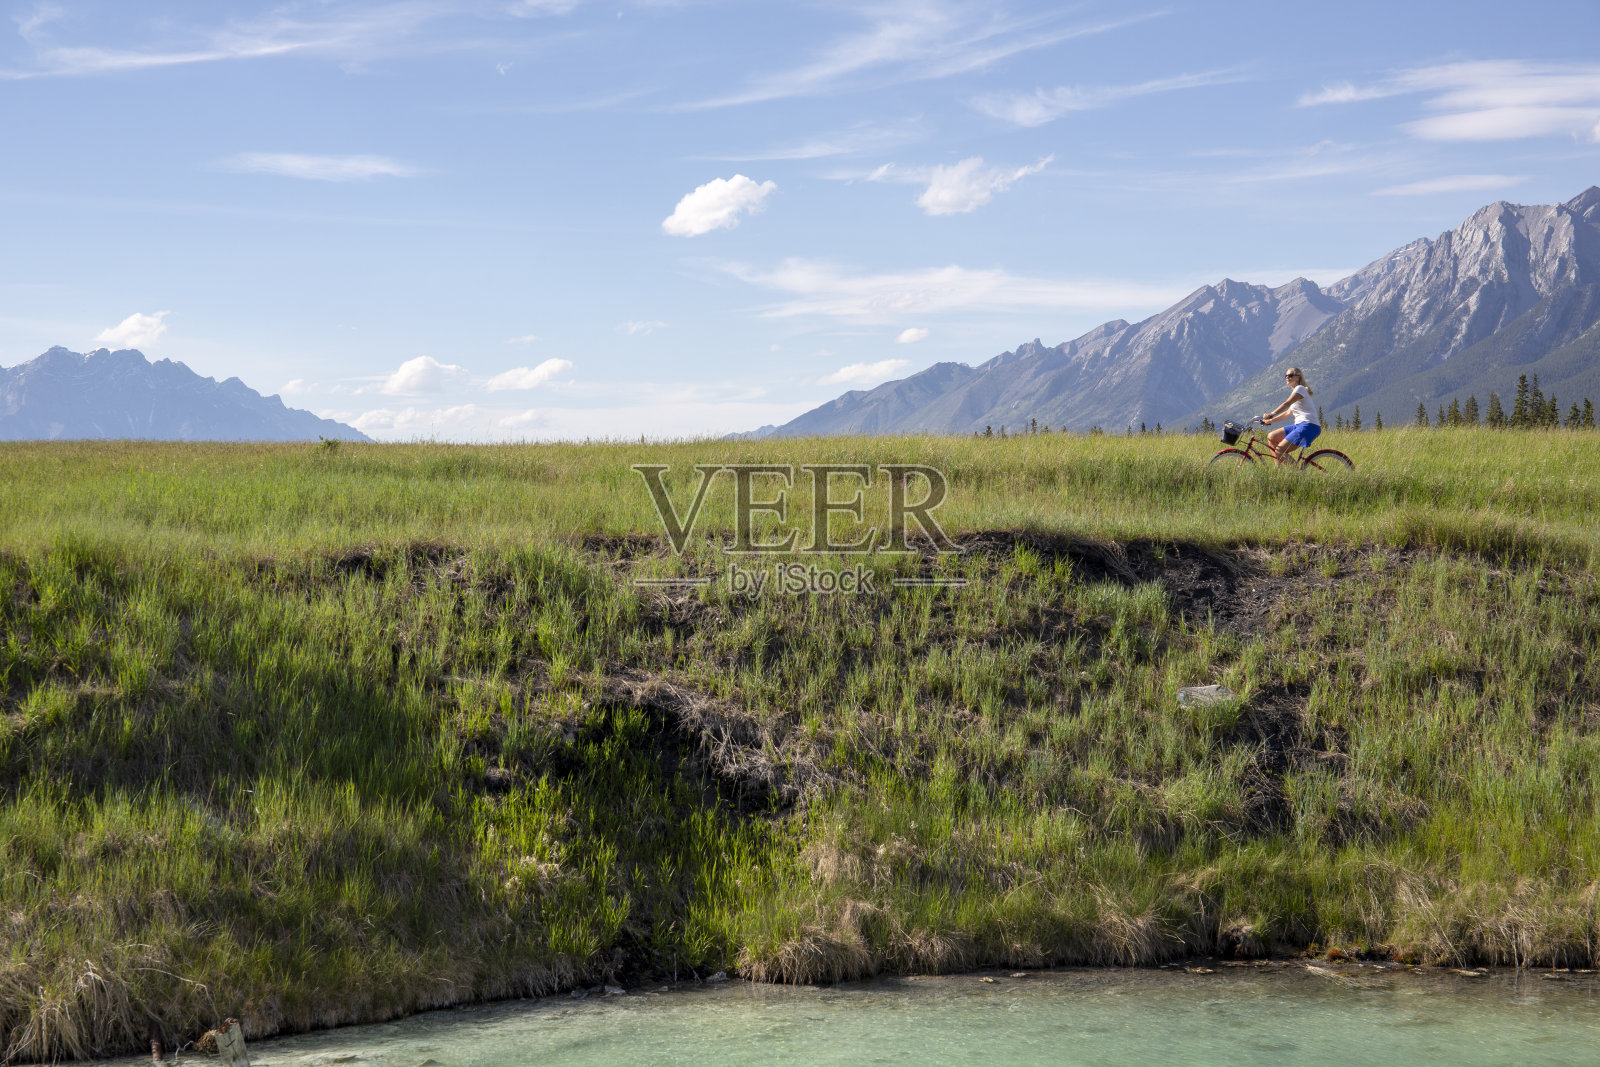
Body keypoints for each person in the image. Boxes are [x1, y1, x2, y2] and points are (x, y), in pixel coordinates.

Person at [1259, 367, 1320, 465]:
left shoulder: (1300, 389)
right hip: (1300, 425)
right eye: (1286, 376)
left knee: (1279, 450)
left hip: (1308, 426)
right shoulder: (1296, 392)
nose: (1287, 377)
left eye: (1290, 375)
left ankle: (1297, 473)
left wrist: (1271, 414)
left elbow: (1286, 403)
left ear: (1298, 377)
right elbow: (1287, 413)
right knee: (1271, 437)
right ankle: (1278, 469)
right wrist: (1270, 421)